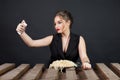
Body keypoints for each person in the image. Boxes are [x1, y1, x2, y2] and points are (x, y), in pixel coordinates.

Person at [16, 10, 91, 69]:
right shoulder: (52, 38)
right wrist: (21, 32)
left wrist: (86, 63)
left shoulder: (79, 39)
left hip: (71, 74)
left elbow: (84, 57)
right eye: (55, 24)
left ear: (68, 22)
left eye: (59, 22)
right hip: (52, 73)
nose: (56, 26)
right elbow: (31, 43)